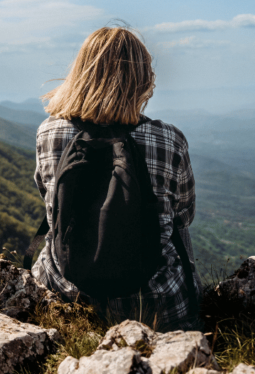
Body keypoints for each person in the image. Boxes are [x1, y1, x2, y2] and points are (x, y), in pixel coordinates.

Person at [31, 24, 201, 331]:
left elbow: (48, 199)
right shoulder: (169, 139)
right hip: (156, 308)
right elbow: (185, 214)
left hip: (66, 297)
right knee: (175, 224)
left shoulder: (49, 132)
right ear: (142, 79)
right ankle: (193, 307)